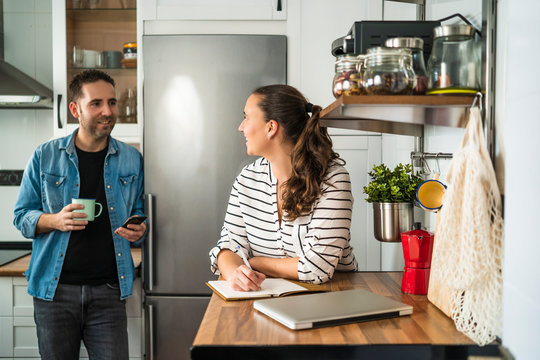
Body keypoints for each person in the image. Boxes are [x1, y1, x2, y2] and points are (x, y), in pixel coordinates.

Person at [13, 69, 146, 360]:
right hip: (54, 292)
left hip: (109, 292)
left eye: (111, 102)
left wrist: (140, 230)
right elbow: (22, 217)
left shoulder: (131, 159)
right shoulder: (45, 155)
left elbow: (139, 212)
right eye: (96, 103)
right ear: (75, 109)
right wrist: (54, 220)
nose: (108, 111)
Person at [209, 84, 358, 291]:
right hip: (264, 295)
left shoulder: (332, 180)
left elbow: (317, 268)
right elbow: (228, 245)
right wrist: (237, 273)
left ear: (271, 127)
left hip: (333, 295)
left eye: (247, 117)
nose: (241, 127)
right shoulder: (247, 179)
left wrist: (253, 263)